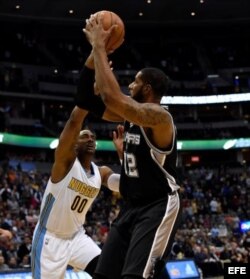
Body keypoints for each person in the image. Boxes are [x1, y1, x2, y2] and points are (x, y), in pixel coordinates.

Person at [77, 14, 182, 279]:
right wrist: (93, 57)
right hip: (131, 206)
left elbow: (112, 97)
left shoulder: (160, 117)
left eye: (134, 81)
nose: (130, 84)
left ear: (146, 89)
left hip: (158, 206)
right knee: (103, 274)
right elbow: (86, 99)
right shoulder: (131, 117)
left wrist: (100, 46)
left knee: (135, 277)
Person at [31, 92, 120, 277]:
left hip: (76, 237)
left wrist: (123, 155)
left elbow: (126, 185)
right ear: (74, 144)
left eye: (93, 137)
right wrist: (86, 97)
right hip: (50, 239)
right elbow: (73, 122)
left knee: (109, 272)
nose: (90, 139)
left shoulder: (100, 172)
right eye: (84, 136)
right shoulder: (65, 164)